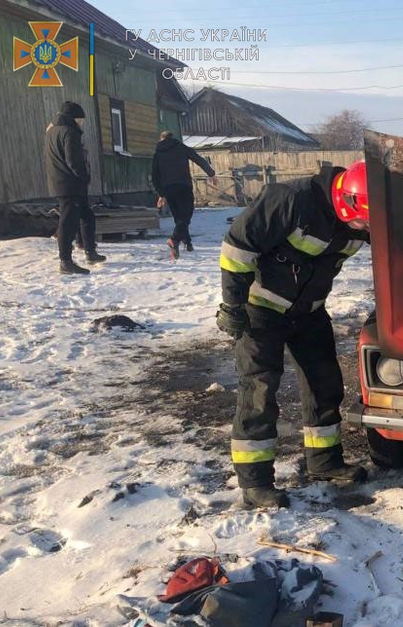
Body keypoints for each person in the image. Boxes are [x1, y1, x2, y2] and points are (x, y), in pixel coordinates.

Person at [216, 161, 371, 509]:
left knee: (325, 383)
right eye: (361, 223)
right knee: (259, 390)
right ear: (344, 201)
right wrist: (233, 306)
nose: (364, 230)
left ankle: (324, 462)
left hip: (309, 311)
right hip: (262, 310)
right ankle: (255, 484)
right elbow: (238, 248)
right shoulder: (290, 200)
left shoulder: (364, 213)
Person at [45, 101, 106, 274]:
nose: (82, 123)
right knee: (68, 221)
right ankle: (65, 261)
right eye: (81, 120)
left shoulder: (51, 131)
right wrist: (84, 176)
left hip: (61, 181)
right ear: (74, 119)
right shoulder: (69, 132)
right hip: (70, 184)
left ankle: (90, 251)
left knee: (87, 216)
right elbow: (74, 160)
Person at [152, 131, 216, 259]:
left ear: (162, 139)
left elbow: (155, 176)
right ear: (172, 138)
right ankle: (175, 240)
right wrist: (211, 174)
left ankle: (187, 242)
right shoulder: (181, 148)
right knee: (186, 215)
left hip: (168, 189)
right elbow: (198, 159)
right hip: (184, 186)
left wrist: (161, 194)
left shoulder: (158, 153)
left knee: (178, 217)